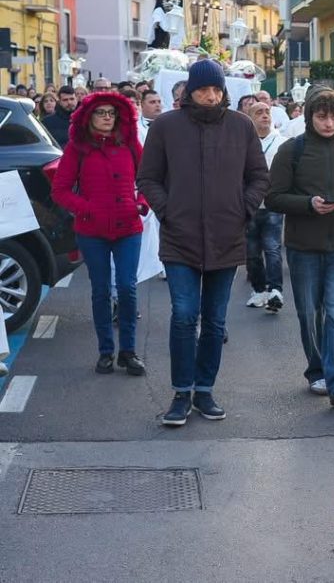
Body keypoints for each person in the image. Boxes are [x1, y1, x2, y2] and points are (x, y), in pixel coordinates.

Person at [137, 59, 270, 427]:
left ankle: (204, 390)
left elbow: (258, 176)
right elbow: (148, 178)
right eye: (202, 90)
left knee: (214, 320)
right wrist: (169, 211)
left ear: (224, 92)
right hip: (180, 238)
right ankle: (181, 393)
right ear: (189, 91)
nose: (210, 96)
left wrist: (243, 209)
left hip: (226, 237)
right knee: (183, 315)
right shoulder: (166, 127)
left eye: (216, 90)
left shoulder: (240, 127)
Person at [265, 86, 334, 404]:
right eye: (321, 116)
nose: (329, 123)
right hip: (303, 246)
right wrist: (308, 204)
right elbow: (273, 197)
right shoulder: (292, 150)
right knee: (310, 313)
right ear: (310, 116)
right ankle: (317, 371)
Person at [51, 92, 148, 377]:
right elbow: (60, 190)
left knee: (128, 288)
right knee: (101, 290)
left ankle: (128, 352)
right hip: (92, 230)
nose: (107, 117)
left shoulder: (130, 144)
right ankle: (106, 351)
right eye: (101, 112)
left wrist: (142, 203)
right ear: (88, 117)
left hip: (128, 227)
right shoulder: (77, 148)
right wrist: (86, 208)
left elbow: (149, 179)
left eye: (111, 113)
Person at [243, 102, 287, 313]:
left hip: (272, 204)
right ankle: (259, 290)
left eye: (267, 112)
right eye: (258, 112)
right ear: (250, 117)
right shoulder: (243, 142)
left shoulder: (282, 142)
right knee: (251, 252)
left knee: (272, 247)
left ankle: (275, 290)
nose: (264, 116)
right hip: (249, 205)